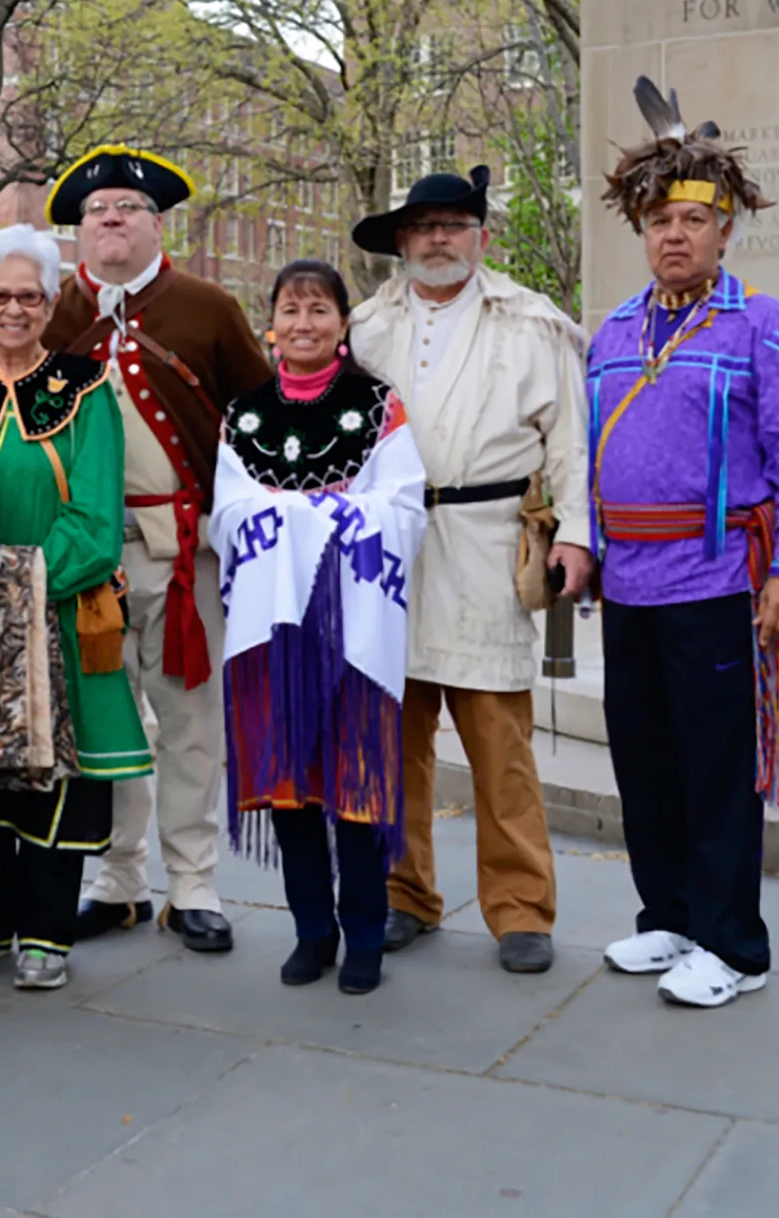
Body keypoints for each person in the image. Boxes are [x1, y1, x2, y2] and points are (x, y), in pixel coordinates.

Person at [589, 78, 779, 1008]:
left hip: (720, 580)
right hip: (630, 584)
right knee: (643, 758)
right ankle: (673, 918)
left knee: (716, 766)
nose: (675, 234)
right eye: (659, 219)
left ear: (726, 228)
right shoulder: (611, 334)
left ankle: (734, 943)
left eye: (695, 217)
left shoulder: (761, 327)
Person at [348, 166, 592, 975]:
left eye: (454, 224)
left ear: (480, 235)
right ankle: (403, 891)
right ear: (402, 242)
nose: (439, 239)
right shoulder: (368, 327)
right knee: (392, 736)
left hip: (489, 540)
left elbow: (570, 444)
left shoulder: (531, 324)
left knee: (499, 743)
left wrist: (577, 536)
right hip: (388, 544)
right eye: (424, 227)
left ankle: (520, 905)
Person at [42, 145, 272, 952]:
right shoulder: (52, 312)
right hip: (88, 559)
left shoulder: (206, 307)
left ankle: (194, 881)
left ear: (156, 224)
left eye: (128, 209)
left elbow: (261, 424)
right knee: (107, 723)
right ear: (79, 230)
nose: (112, 219)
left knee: (188, 720)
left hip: (184, 554)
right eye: (96, 211)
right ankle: (118, 876)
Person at [0, 225, 153, 991]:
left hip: (61, 606)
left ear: (53, 303)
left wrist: (18, 585)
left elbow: (95, 514)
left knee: (60, 769)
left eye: (30, 295)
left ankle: (47, 930)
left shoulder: (86, 389)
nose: (13, 308)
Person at [213, 260, 426, 994]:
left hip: (351, 626)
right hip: (276, 628)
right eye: (290, 310)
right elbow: (229, 512)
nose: (303, 324)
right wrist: (297, 513)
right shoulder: (243, 414)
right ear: (270, 322)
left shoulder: (377, 406)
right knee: (290, 788)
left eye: (319, 310)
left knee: (355, 785)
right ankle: (313, 929)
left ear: (342, 322)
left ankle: (366, 931)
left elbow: (401, 507)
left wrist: (320, 513)